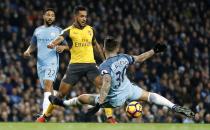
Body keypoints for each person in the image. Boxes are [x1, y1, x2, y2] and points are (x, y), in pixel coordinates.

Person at [49, 36, 195, 121]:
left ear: (105, 49)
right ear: (117, 48)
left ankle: (64, 103)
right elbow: (140, 58)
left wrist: (99, 105)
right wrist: (154, 50)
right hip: (129, 90)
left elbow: (106, 83)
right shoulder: (124, 57)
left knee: (81, 98)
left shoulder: (104, 65)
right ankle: (173, 106)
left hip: (114, 99)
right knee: (150, 96)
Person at [36, 6, 116, 123]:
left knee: (104, 86)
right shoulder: (69, 30)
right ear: (76, 17)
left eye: (86, 16)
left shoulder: (91, 30)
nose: (84, 18)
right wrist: (53, 43)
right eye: (82, 16)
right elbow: (60, 38)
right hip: (75, 66)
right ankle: (45, 116)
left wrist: (105, 60)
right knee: (61, 93)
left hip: (91, 65)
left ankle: (110, 118)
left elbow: (96, 46)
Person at [23, 8, 68, 116]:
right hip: (40, 63)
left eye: (52, 15)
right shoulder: (37, 30)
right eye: (48, 15)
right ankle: (50, 112)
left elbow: (68, 46)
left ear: (54, 18)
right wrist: (28, 51)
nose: (50, 17)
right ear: (43, 16)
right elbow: (33, 45)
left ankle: (43, 115)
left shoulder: (58, 30)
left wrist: (63, 47)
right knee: (49, 89)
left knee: (47, 86)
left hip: (52, 62)